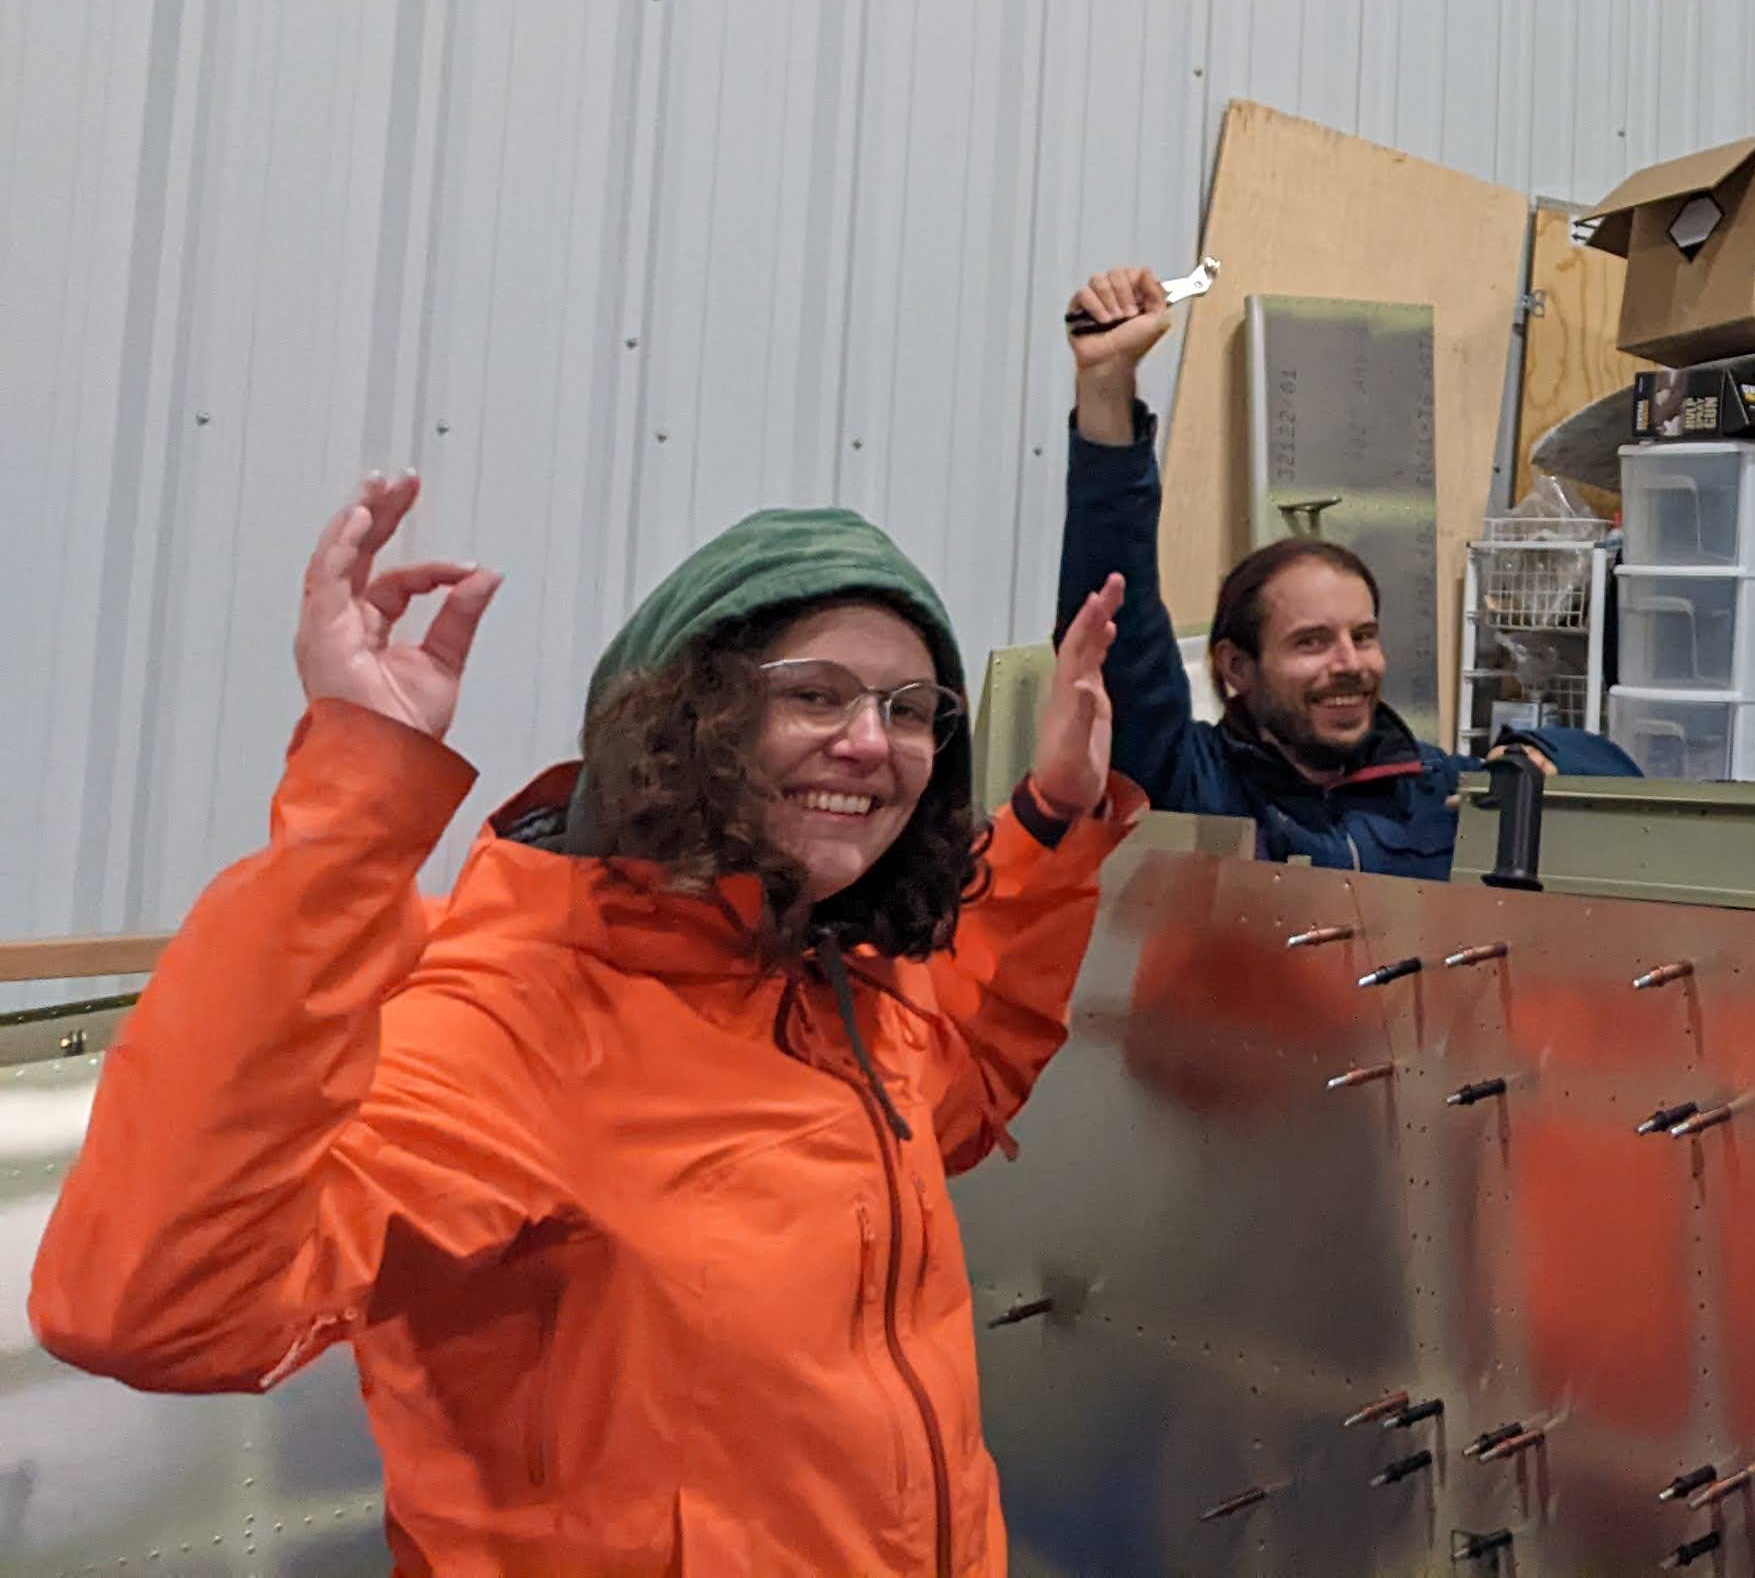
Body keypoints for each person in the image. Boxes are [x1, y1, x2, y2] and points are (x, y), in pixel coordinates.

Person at [31, 474, 1139, 1575]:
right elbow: (163, 1311)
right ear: (690, 716)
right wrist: (355, 801)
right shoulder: (518, 1015)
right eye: (817, 693)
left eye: (908, 709)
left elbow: (959, 1088)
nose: (870, 741)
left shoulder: (827, 985)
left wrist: (1049, 821)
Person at [1059, 264, 1634, 874]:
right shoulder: (1195, 786)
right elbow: (1112, 624)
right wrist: (1106, 383)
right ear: (1236, 667)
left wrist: (1537, 754)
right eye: (1311, 642)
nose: (1350, 665)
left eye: (1363, 636)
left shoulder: (1433, 787)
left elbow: (1624, 778)